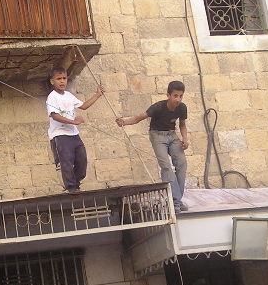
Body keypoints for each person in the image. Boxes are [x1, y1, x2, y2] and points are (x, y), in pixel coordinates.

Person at [116, 81, 189, 213]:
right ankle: (175, 202)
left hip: (172, 135)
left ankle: (176, 200)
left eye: (180, 96)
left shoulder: (182, 108)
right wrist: (125, 122)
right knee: (166, 166)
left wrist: (185, 138)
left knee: (182, 164)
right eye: (175, 96)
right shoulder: (158, 107)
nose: (178, 99)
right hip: (157, 136)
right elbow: (140, 118)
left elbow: (182, 124)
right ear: (168, 95)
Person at [46, 67, 104, 193]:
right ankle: (71, 187)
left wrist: (98, 94)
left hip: (73, 134)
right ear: (52, 81)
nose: (62, 81)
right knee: (66, 161)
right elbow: (55, 115)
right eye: (59, 79)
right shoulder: (52, 97)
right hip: (60, 135)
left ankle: (76, 183)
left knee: (82, 160)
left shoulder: (68, 95)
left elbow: (83, 106)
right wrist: (74, 122)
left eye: (64, 78)